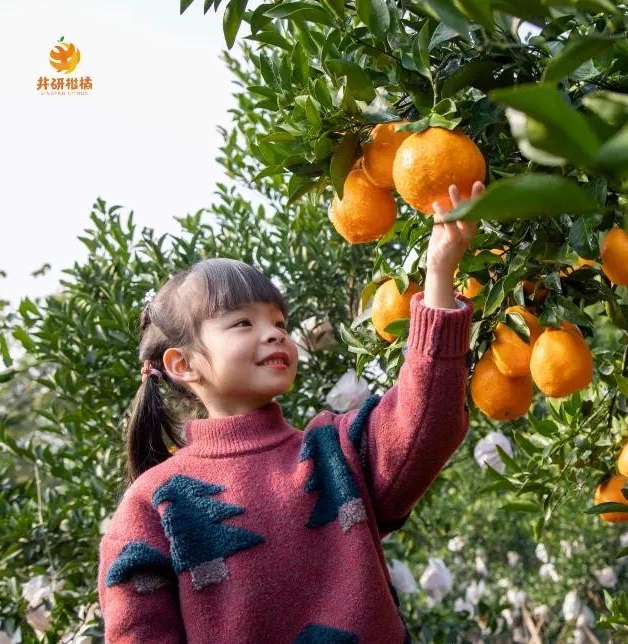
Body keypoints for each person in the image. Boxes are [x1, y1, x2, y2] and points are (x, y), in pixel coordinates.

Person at [97, 182, 484, 643]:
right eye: (243, 322)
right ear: (183, 364)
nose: (275, 333)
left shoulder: (334, 453)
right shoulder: (154, 502)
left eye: (279, 322)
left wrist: (439, 274)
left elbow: (427, 422)